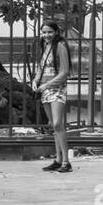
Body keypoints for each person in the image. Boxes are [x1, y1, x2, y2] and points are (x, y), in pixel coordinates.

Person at [32, 20, 72, 173]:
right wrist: (36, 80)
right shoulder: (45, 46)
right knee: (52, 125)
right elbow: (41, 68)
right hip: (44, 88)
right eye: (44, 32)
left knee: (57, 124)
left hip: (57, 88)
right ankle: (58, 159)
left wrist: (46, 85)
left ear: (56, 32)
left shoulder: (60, 46)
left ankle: (67, 162)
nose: (46, 35)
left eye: (49, 32)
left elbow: (64, 72)